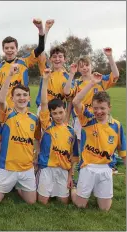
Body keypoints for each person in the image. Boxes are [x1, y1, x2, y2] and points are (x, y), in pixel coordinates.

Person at [71, 73, 126, 211]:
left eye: (102, 108)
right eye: (95, 108)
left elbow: (123, 154)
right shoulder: (87, 119)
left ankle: (97, 190)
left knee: (105, 209)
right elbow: (76, 102)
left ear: (109, 108)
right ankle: (74, 187)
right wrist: (91, 83)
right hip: (87, 167)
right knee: (80, 205)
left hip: (106, 169)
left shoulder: (117, 126)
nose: (98, 111)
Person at [0, 64, 39, 204]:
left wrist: (35, 156)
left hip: (26, 168)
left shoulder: (34, 118)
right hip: (7, 167)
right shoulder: (7, 114)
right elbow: (0, 100)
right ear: (12, 98)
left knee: (31, 202)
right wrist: (10, 75)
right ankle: (12, 184)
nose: (22, 98)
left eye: (25, 95)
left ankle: (18, 187)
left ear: (29, 98)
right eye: (18, 95)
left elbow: (36, 139)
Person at [36, 68, 79, 205]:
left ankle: (74, 186)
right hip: (47, 169)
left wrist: (70, 176)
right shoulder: (47, 125)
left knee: (64, 202)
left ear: (65, 112)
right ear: (50, 114)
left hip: (63, 170)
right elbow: (43, 103)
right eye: (55, 113)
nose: (58, 116)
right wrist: (45, 80)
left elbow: (73, 157)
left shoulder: (71, 131)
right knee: (43, 202)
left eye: (61, 113)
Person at [64, 48, 120, 144]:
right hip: (81, 118)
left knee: (99, 143)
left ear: (92, 66)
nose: (85, 68)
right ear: (78, 69)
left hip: (98, 116)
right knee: (81, 143)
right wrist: (71, 74)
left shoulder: (99, 79)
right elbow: (66, 92)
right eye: (81, 66)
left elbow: (115, 75)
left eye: (87, 65)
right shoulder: (77, 83)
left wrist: (110, 57)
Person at [0, 19, 46, 108]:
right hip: (5, 109)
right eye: (7, 48)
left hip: (22, 106)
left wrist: (40, 29)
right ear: (3, 50)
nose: (9, 50)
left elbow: (40, 48)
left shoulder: (24, 61)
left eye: (12, 48)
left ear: (16, 49)